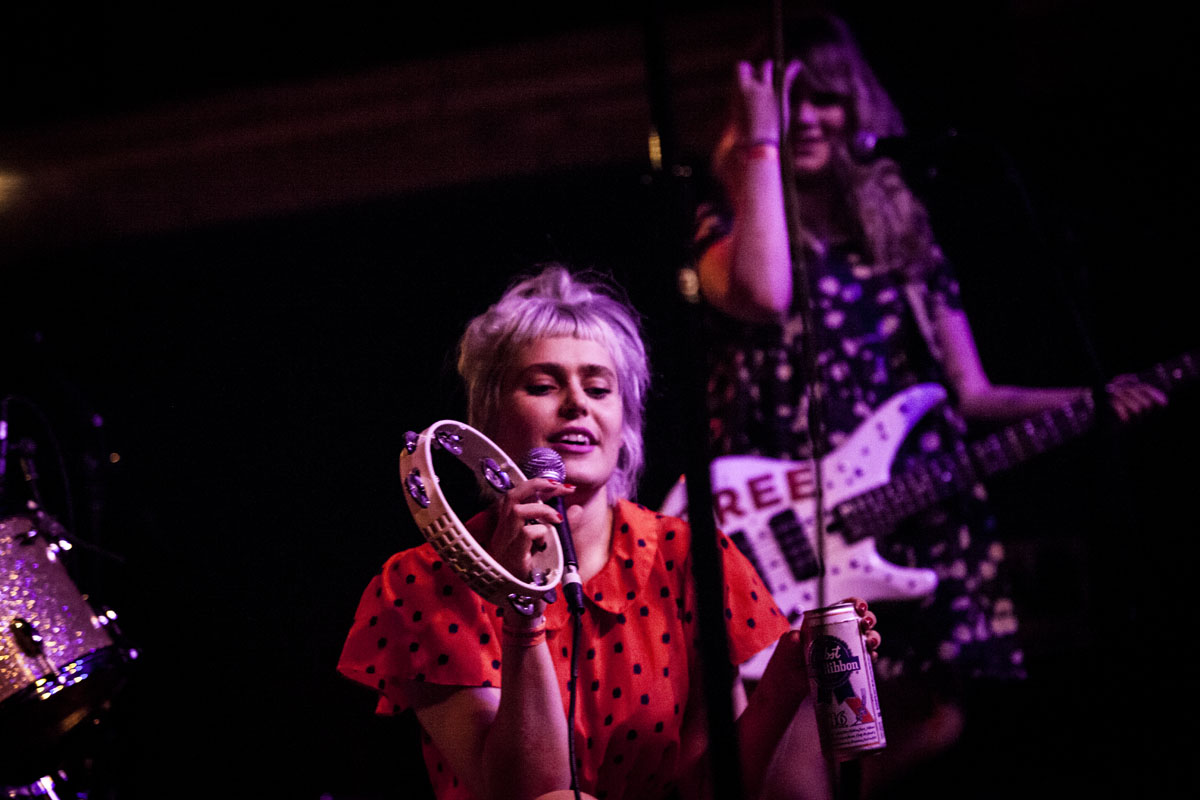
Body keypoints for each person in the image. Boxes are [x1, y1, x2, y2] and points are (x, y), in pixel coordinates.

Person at [692, 9, 1167, 798]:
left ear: (860, 109)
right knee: (804, 714)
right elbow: (763, 291)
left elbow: (972, 393)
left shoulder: (902, 235)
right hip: (786, 514)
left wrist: (1092, 401)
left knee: (932, 713)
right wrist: (759, 146)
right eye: (790, 98)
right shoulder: (726, 226)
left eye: (827, 99)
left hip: (910, 513)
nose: (808, 116)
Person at [337, 264, 881, 800]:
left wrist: (789, 677)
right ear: (488, 420)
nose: (577, 404)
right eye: (544, 385)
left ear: (626, 428)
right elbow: (529, 792)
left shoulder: (684, 554)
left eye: (599, 389)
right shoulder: (423, 584)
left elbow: (715, 787)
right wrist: (522, 608)